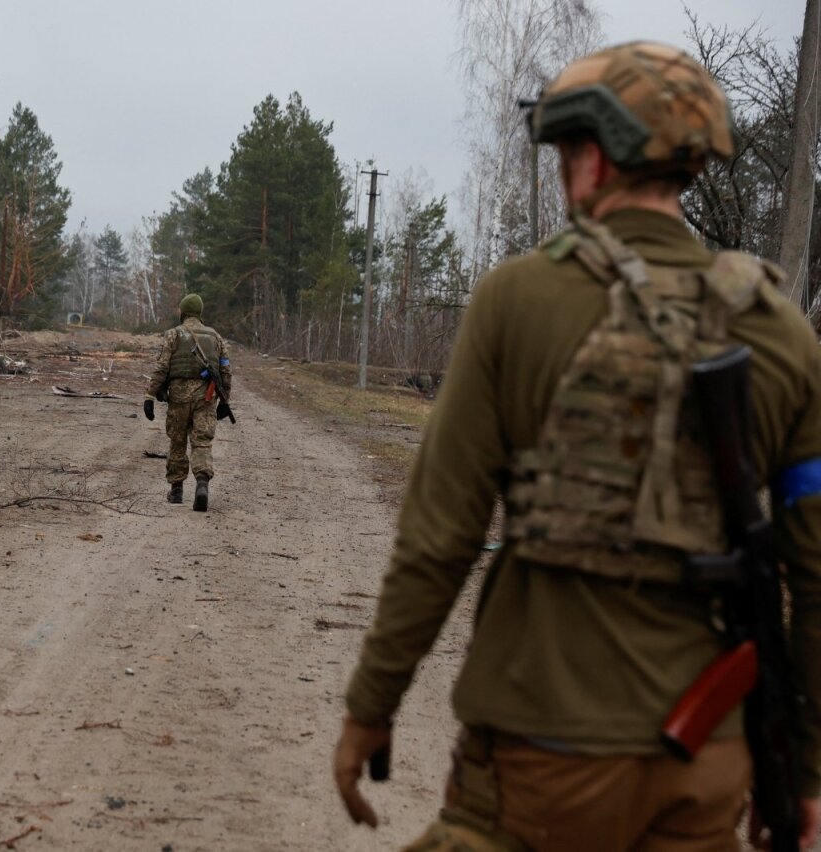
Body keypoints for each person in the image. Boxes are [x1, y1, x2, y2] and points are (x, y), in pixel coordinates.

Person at [333, 41, 821, 851]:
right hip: (709, 762)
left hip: (542, 748)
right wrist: (807, 775)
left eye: (565, 155)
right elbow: (815, 576)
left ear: (593, 160)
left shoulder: (518, 299)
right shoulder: (781, 331)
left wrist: (371, 705)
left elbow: (439, 538)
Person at [146, 293, 232, 512]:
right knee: (202, 442)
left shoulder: (174, 335)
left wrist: (150, 395)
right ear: (200, 313)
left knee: (177, 442)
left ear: (183, 312)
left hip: (178, 398)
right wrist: (224, 400)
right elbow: (225, 371)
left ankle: (176, 491)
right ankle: (202, 483)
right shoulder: (216, 337)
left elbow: (162, 367)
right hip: (206, 398)